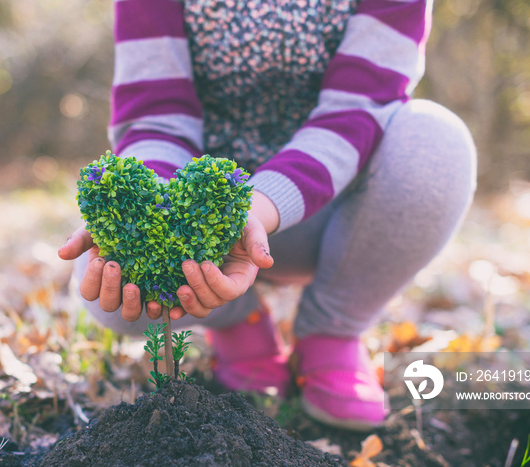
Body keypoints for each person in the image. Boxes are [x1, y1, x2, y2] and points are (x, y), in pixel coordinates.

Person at [59, 0, 476, 431]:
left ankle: (331, 329)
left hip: (330, 212)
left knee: (435, 140)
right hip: (201, 229)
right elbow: (156, 117)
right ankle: (241, 321)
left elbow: (356, 110)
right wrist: (152, 217)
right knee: (110, 278)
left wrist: (249, 209)